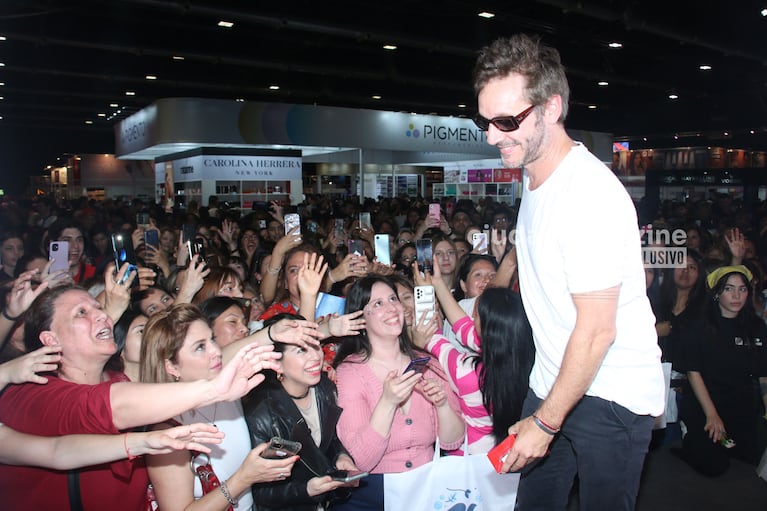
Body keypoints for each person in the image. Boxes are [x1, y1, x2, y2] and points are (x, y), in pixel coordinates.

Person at [473, 34, 665, 511]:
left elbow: (597, 330)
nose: (492, 135)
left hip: (611, 394)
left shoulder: (587, 195)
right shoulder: (534, 174)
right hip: (554, 377)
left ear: (550, 108)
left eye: (506, 121)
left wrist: (544, 423)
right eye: (486, 121)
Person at [0, 276, 282, 511]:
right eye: (81, 313)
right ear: (50, 340)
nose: (100, 314)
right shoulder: (29, 394)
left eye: (97, 307)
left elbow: (191, 361)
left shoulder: (121, 378)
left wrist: (269, 336)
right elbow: (110, 406)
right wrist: (215, 389)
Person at [140, 303, 296, 511]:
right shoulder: (167, 431)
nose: (216, 351)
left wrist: (272, 333)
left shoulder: (226, 387)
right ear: (171, 366)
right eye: (200, 347)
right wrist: (244, 477)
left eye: (211, 339)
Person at [333, 275, 465, 510]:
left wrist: (442, 405)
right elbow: (361, 460)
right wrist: (387, 402)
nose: (392, 307)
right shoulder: (350, 372)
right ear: (361, 317)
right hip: (373, 494)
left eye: (393, 298)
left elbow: (453, 441)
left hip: (426, 487)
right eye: (377, 303)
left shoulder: (427, 363)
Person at [244, 313, 361, 511]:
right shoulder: (263, 413)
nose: (315, 356)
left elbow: (328, 441)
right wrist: (305, 489)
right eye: (301, 350)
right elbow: (262, 493)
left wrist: (341, 456)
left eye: (316, 344)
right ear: (277, 363)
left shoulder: (325, 388)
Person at [673, 265, 767, 476]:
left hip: (740, 406)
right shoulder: (698, 326)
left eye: (742, 289)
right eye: (729, 289)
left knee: (744, 458)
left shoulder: (756, 327)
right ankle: (690, 439)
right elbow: (692, 371)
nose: (736, 296)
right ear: (717, 293)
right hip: (705, 405)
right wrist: (712, 414)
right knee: (714, 465)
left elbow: (763, 374)